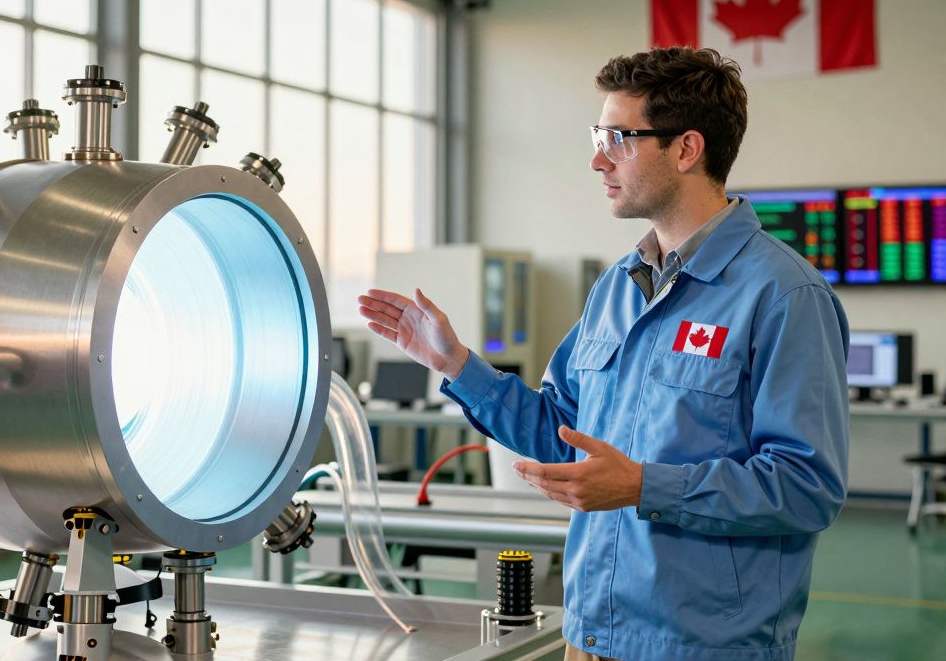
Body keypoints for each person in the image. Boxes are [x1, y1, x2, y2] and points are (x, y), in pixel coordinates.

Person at [359, 47, 848, 661]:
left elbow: (806, 487)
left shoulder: (782, 296)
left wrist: (644, 486)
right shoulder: (618, 288)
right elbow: (563, 433)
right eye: (599, 136)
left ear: (686, 149)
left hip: (702, 647)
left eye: (618, 138)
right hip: (587, 636)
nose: (597, 159)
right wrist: (457, 365)